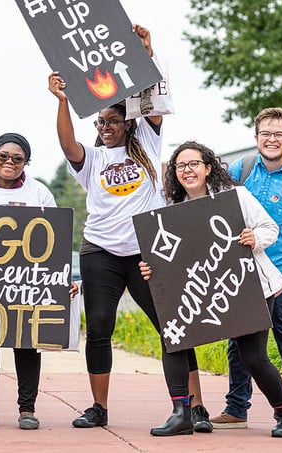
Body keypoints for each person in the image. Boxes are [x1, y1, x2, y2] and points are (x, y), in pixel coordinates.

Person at [48, 24, 212, 436]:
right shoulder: (92, 160)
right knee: (99, 327)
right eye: (100, 121)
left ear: (127, 123)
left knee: (173, 326)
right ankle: (98, 407)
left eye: (112, 120)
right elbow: (68, 144)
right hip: (100, 252)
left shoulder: (149, 145)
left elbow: (155, 102)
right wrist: (63, 101)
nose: (105, 126)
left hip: (146, 252)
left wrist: (147, 54)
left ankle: (196, 407)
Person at [140, 141, 282, 437]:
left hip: (247, 285)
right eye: (181, 166)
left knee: (253, 357)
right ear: (175, 173)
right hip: (199, 292)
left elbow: (270, 229)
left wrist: (253, 237)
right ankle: (181, 413)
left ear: (208, 167)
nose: (187, 170)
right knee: (173, 338)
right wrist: (151, 268)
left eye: (194, 164)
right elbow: (165, 258)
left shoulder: (235, 197)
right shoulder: (171, 212)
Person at [0, 132, 78, 431]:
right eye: (3, 156)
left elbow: (55, 240)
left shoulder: (40, 193)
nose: (9, 162)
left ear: (26, 162)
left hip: (28, 283)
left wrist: (61, 277)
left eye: (17, 158)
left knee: (27, 343)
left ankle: (27, 409)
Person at [212, 107, 282, 436]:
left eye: (278, 134)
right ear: (256, 137)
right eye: (266, 133)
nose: (271, 139)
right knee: (239, 342)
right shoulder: (241, 169)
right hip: (246, 270)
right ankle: (236, 409)